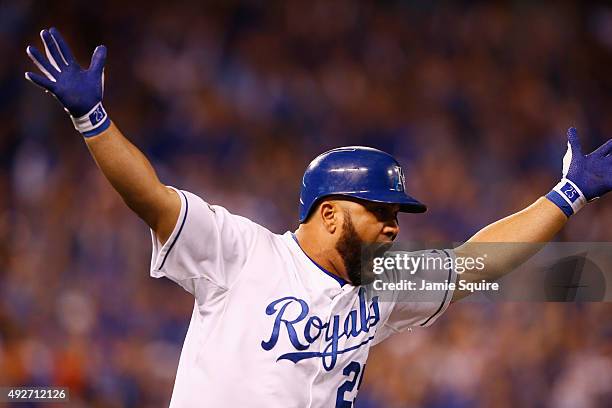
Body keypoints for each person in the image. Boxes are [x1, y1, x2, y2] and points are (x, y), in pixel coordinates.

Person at [25, 28, 612, 407]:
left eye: (397, 213)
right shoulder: (243, 253)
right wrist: (94, 121)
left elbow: (473, 265)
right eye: (380, 210)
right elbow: (151, 198)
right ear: (329, 214)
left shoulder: (382, 286)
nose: (393, 226)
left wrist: (567, 196)